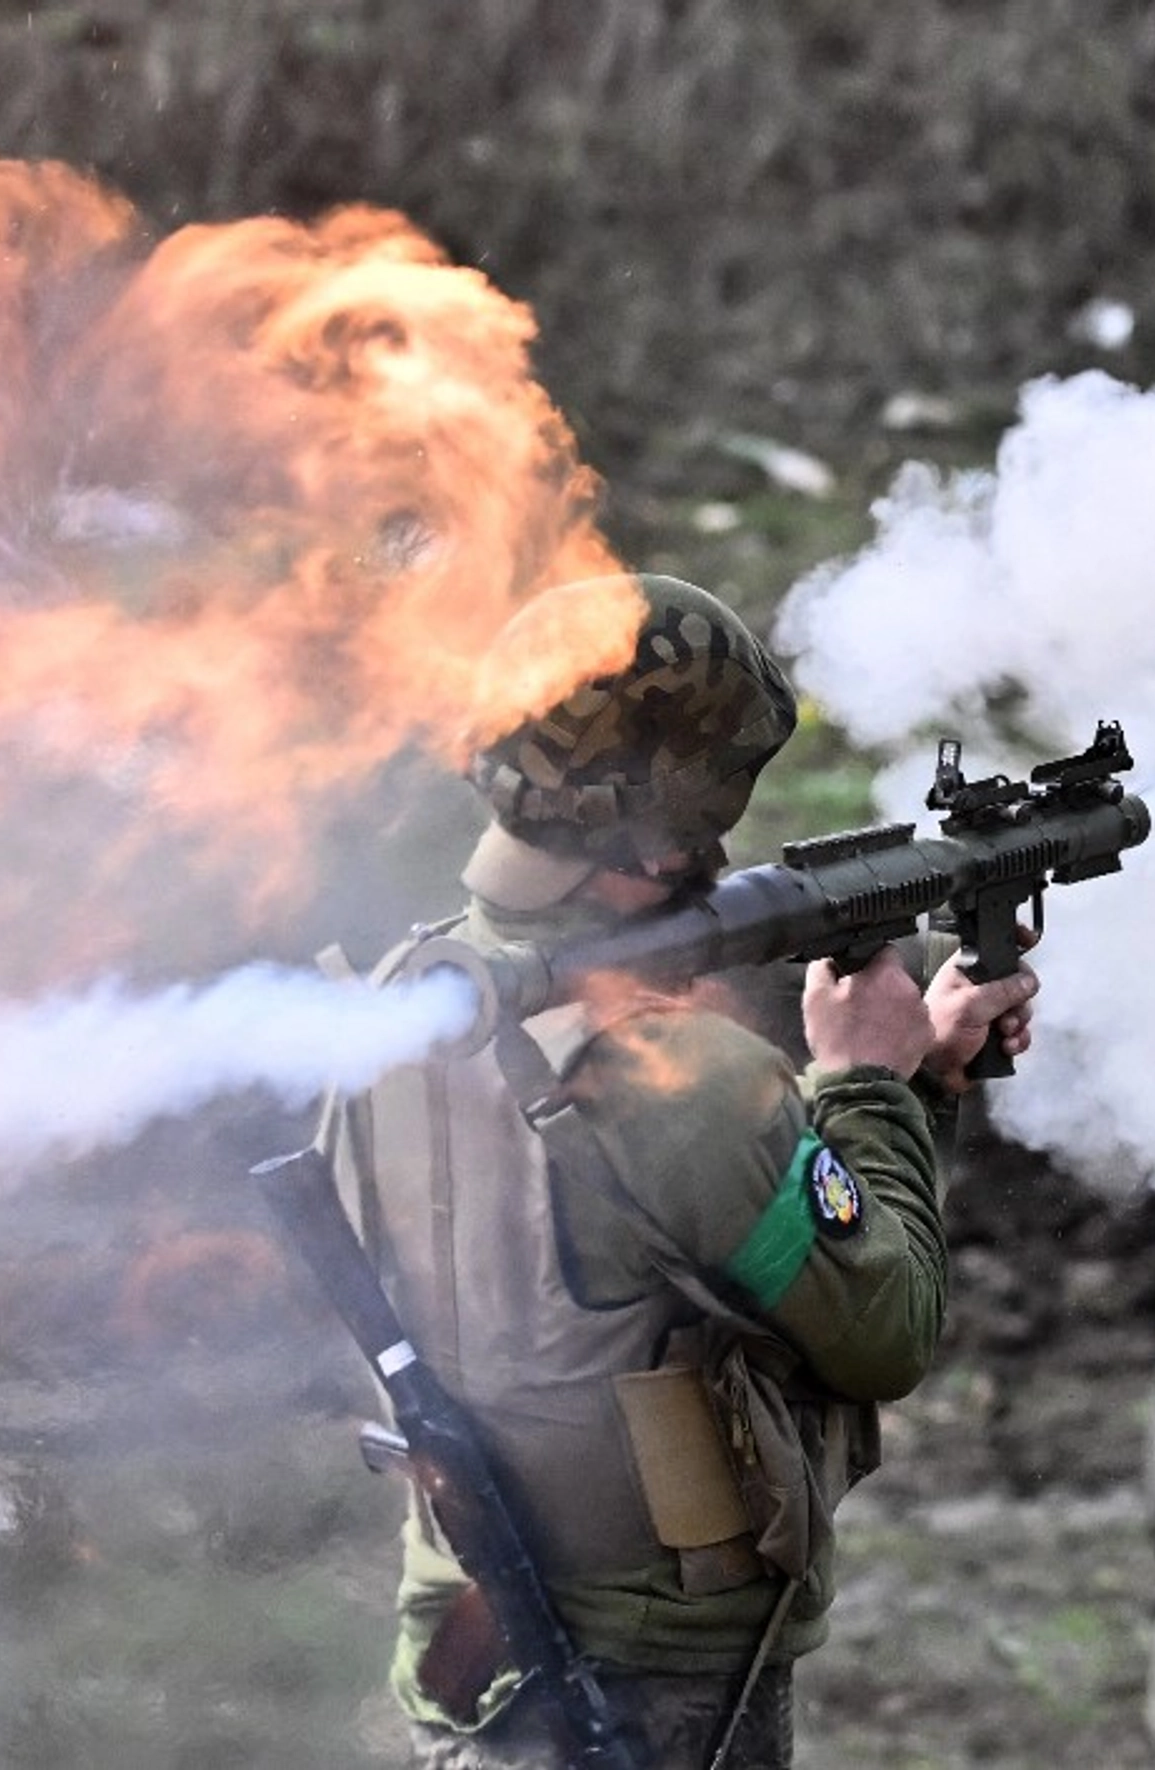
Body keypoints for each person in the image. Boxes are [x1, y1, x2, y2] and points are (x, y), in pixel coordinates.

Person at [317, 573, 1039, 1769]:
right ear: (649, 837)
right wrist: (861, 1082)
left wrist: (923, 1079)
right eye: (706, 814)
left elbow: (653, 1230)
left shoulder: (398, 1000)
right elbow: (883, 1331)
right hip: (653, 1688)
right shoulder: (681, 1083)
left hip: (476, 1644)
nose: (719, 845)